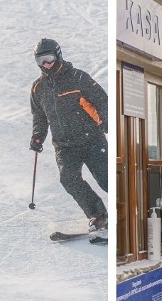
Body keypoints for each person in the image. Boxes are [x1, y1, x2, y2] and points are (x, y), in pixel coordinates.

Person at [29, 38, 108, 232]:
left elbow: (102, 100)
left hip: (91, 139)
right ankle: (97, 215)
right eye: (41, 60)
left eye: (49, 58)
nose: (46, 64)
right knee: (68, 178)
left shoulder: (78, 78)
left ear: (58, 55)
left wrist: (105, 120)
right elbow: (39, 116)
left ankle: (127, 212)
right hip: (64, 145)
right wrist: (38, 136)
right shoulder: (38, 88)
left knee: (106, 180)